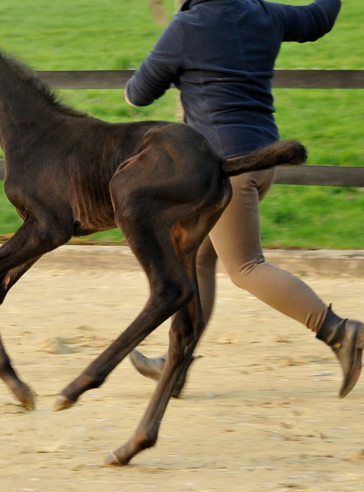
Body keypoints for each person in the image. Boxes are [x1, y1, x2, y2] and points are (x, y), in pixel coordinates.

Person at [124, 0, 364, 399]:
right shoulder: (263, 13)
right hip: (265, 160)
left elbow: (137, 95)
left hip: (227, 170)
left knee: (246, 266)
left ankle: (340, 332)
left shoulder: (187, 26)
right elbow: (319, 19)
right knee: (198, 258)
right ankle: (175, 367)